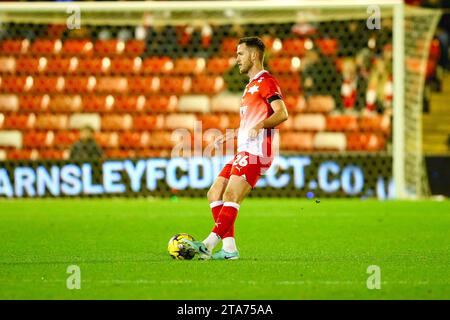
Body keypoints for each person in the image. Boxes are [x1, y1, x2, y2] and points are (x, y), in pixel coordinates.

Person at [182, 37, 289, 260]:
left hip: (258, 151)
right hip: (244, 149)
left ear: (253, 55)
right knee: (214, 192)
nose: (236, 58)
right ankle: (229, 249)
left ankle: (208, 245)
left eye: (240, 54)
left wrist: (260, 125)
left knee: (231, 194)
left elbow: (282, 113)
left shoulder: (266, 81)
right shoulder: (250, 86)